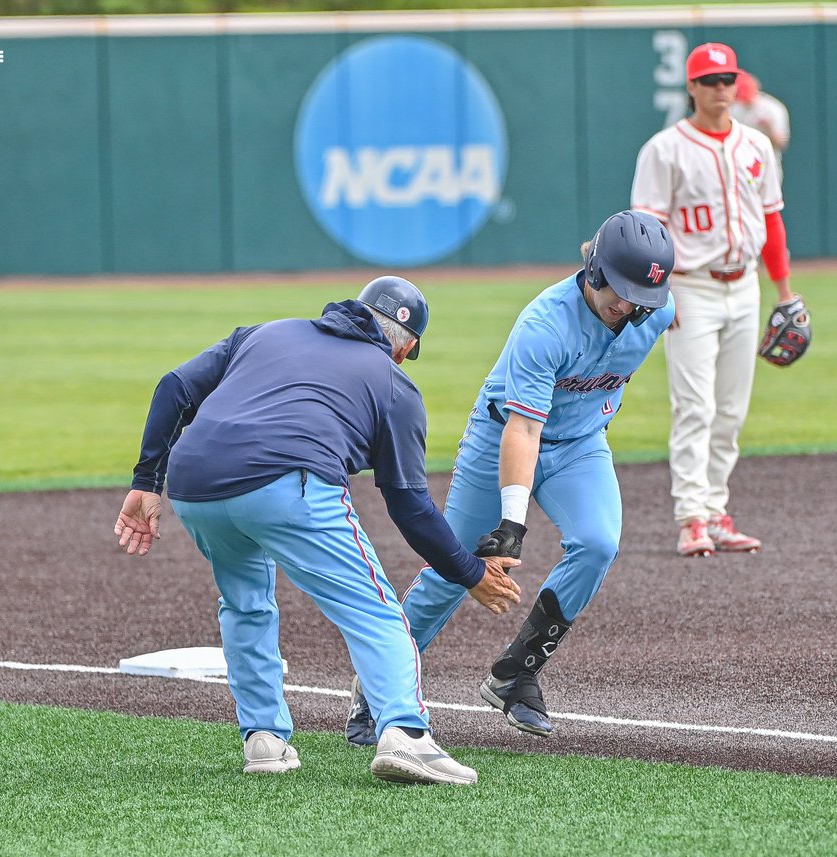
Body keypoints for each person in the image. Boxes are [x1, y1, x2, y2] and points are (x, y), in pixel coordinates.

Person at [113, 276, 522, 786]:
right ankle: (407, 734)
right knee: (373, 610)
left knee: (245, 605)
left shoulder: (263, 333)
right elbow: (410, 507)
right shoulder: (394, 385)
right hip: (288, 485)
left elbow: (174, 387)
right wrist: (469, 573)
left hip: (194, 486)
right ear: (406, 347)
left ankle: (264, 739)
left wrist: (146, 482)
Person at [345, 211, 675, 743]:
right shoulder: (545, 325)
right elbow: (523, 429)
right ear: (595, 269)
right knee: (453, 566)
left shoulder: (654, 313)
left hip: (580, 444)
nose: (629, 306)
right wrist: (512, 524)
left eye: (643, 297)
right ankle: (377, 687)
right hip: (501, 436)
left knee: (597, 543)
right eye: (622, 290)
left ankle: (515, 673)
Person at [630, 42, 803, 557]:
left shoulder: (756, 146)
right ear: (692, 87)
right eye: (710, 80)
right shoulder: (664, 149)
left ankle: (716, 509)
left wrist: (785, 291)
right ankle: (692, 518)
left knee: (730, 410)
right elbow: (648, 230)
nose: (721, 88)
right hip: (690, 286)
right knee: (695, 407)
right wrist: (657, 293)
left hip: (744, 285)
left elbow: (771, 221)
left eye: (727, 79)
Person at [731, 70, 791, 170]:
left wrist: (768, 129)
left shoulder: (773, 109)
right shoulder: (734, 108)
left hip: (767, 163)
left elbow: (782, 143)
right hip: (740, 162)